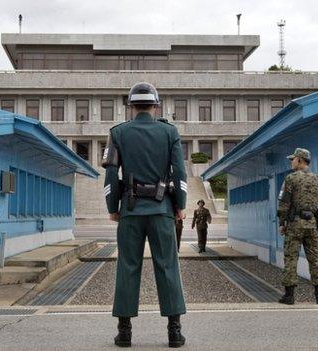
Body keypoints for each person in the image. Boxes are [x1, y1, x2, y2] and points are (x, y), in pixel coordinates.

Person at [102, 82, 187, 348]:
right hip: (162, 210)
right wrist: (180, 205)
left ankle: (124, 332)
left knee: (127, 267)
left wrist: (112, 207)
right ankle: (174, 331)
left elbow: (110, 173)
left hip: (130, 209)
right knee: (167, 266)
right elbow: (180, 173)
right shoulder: (169, 132)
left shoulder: (118, 133)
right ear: (156, 104)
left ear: (130, 106)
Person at [277, 148, 318, 305]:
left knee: (291, 258)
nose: (291, 162)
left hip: (294, 225)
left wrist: (282, 222)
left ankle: (289, 296)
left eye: (293, 159)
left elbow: (284, 202)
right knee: (315, 259)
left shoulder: (291, 178)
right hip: (313, 225)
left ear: (300, 160)